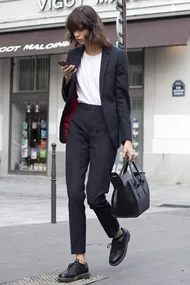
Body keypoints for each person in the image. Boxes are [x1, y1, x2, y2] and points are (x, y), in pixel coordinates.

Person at [58, 5, 134, 283]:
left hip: (104, 127)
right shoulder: (73, 54)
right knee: (74, 195)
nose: (77, 34)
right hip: (79, 122)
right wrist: (67, 78)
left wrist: (127, 139)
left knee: (95, 195)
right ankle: (80, 261)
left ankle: (118, 235)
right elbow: (69, 95)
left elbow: (123, 101)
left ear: (93, 27)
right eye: (74, 29)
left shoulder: (117, 57)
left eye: (81, 28)